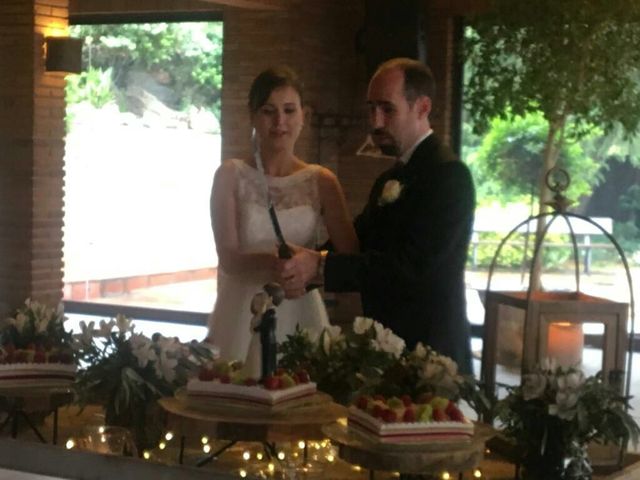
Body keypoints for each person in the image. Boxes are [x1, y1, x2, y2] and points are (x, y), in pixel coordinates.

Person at [277, 58, 475, 374]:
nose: (376, 121)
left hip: (432, 357)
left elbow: (411, 267)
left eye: (388, 109)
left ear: (422, 108)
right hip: (388, 353)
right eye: (371, 109)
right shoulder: (388, 179)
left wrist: (320, 266)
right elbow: (358, 242)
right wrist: (307, 262)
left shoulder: (449, 176)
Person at [207, 66, 358, 363]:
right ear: (252, 116)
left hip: (301, 308)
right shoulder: (230, 176)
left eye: (289, 111)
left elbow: (350, 254)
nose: (280, 122)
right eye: (268, 111)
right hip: (242, 309)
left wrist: (311, 268)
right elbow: (229, 256)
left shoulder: (322, 181)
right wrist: (274, 264)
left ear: (304, 116)